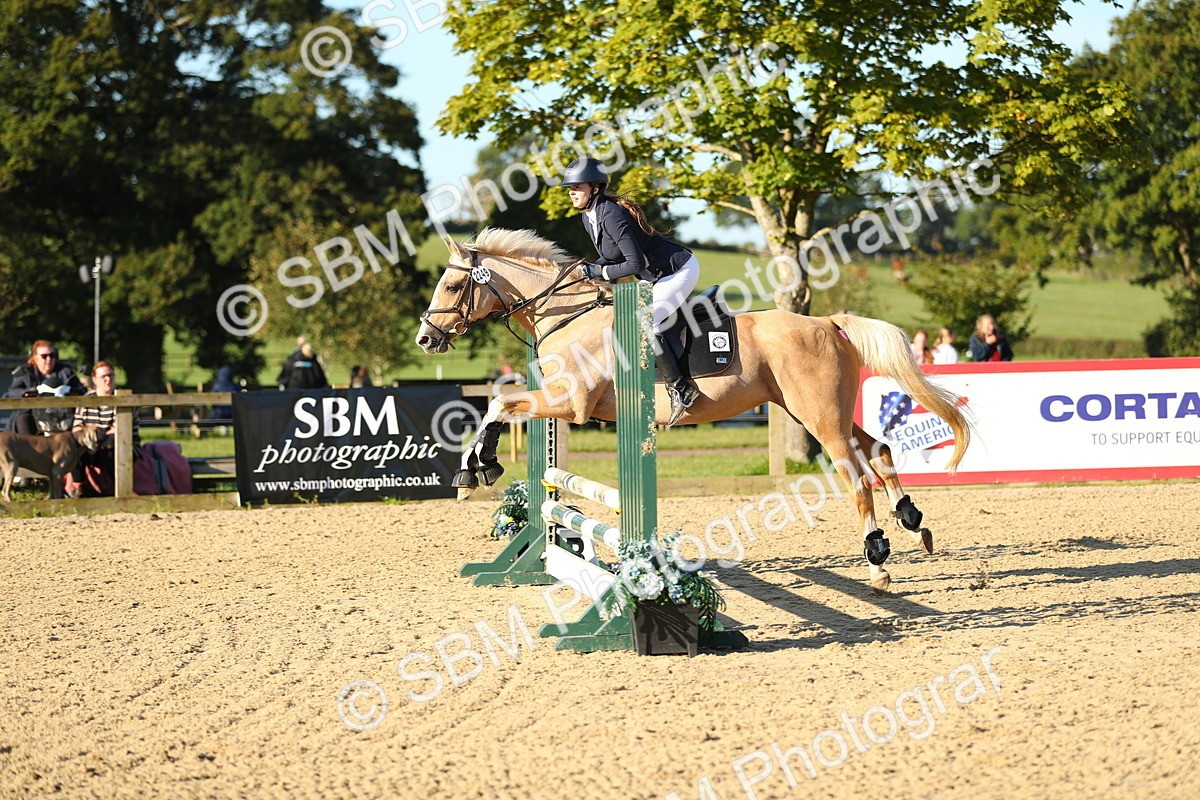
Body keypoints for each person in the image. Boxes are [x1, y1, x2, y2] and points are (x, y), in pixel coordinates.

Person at [560, 157, 699, 426]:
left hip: (677, 270)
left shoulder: (611, 214)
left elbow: (633, 263)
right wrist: (581, 270)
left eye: (577, 187)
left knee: (647, 322)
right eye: (570, 188)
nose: (572, 192)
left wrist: (598, 273)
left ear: (595, 188)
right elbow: (611, 258)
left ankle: (681, 389)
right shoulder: (588, 217)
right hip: (654, 275)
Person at [70, 361, 142, 497]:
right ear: (94, 380)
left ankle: (119, 490)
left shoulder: (124, 398)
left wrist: (94, 433)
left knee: (112, 448)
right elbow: (77, 427)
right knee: (73, 449)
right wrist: (91, 437)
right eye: (103, 377)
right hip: (91, 442)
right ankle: (79, 488)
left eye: (110, 375)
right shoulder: (85, 400)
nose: (108, 380)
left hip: (120, 442)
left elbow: (121, 429)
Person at [4, 340, 86, 434]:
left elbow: (81, 390)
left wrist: (69, 391)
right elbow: (12, 392)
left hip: (62, 415)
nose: (48, 360)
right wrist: (27, 392)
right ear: (35, 358)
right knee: (23, 419)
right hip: (33, 415)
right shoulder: (25, 373)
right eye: (44, 356)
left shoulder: (66, 372)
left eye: (52, 356)